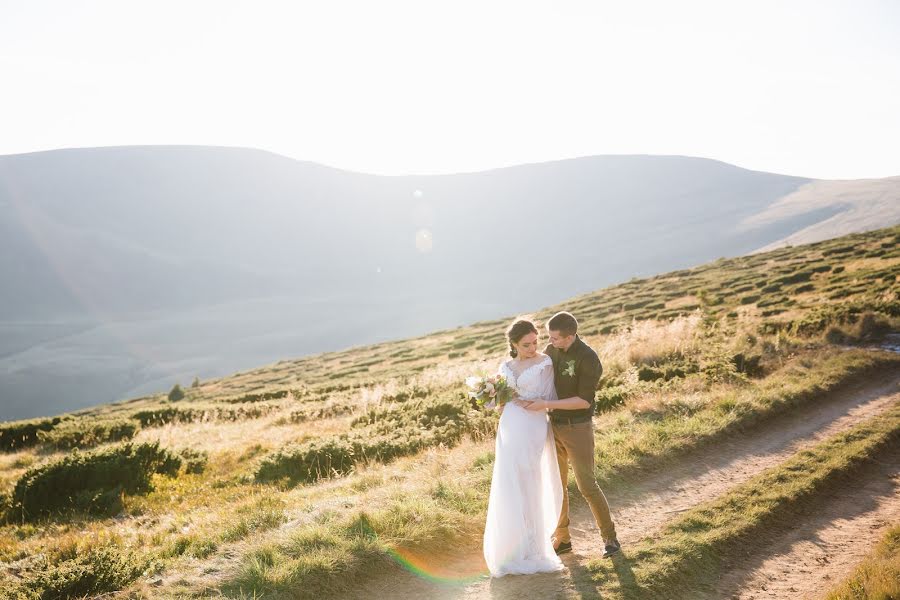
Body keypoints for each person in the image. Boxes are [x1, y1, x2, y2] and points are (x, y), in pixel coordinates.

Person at [521, 311, 620, 558]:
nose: (550, 342)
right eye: (550, 338)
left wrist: (546, 404)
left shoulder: (588, 358)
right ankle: (563, 539)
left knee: (587, 485)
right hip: (552, 428)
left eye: (555, 338)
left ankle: (610, 539)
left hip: (578, 429)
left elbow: (583, 402)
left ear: (570, 336)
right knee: (557, 485)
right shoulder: (551, 351)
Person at [482, 318, 565, 577]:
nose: (532, 348)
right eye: (526, 344)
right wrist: (490, 396)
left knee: (531, 482)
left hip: (533, 426)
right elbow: (501, 404)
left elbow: (551, 396)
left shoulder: (544, 363)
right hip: (509, 427)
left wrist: (537, 403)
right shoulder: (505, 366)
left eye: (535, 342)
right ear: (514, 344)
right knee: (510, 483)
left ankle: (535, 548)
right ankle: (510, 550)